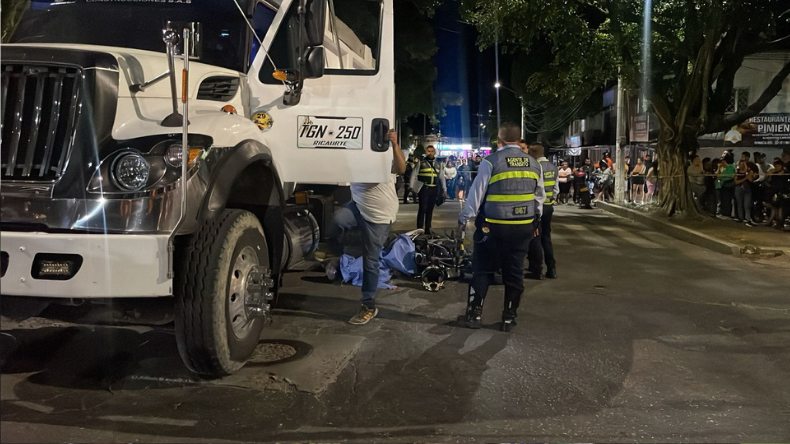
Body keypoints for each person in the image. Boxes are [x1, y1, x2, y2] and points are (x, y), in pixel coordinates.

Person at [456, 123, 545, 332]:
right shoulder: (534, 164)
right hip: (522, 228)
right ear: (519, 139)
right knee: (514, 273)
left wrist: (464, 218)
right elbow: (539, 197)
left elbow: (476, 194)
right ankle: (508, 319)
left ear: (499, 140)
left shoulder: (491, 161)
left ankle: (474, 315)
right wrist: (535, 222)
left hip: (493, 228)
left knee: (483, 271)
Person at [332, 129, 406, 325]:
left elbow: (401, 168)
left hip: (379, 216)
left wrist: (395, 145)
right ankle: (356, 239)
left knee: (370, 261)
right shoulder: (353, 156)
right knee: (338, 219)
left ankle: (368, 306)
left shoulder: (381, 158)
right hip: (358, 207)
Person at [526, 143, 560, 280]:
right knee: (546, 238)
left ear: (533, 154)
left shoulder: (535, 167)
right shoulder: (553, 167)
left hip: (537, 208)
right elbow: (556, 189)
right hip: (549, 207)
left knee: (535, 239)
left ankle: (536, 269)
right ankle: (551, 268)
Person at [410, 145, 446, 234]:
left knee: (430, 209)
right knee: (422, 208)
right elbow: (414, 174)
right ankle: (419, 228)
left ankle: (428, 228)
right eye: (428, 151)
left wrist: (444, 189)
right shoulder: (421, 162)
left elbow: (442, 177)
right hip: (424, 188)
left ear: (435, 152)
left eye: (432, 151)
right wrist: (411, 186)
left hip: (434, 188)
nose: (430, 153)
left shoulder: (438, 164)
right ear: (426, 152)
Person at [715, 154, 736, 219]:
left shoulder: (731, 167)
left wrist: (721, 176)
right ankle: (721, 212)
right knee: (722, 200)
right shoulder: (722, 168)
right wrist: (719, 167)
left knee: (727, 200)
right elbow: (716, 175)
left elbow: (731, 176)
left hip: (728, 186)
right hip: (721, 186)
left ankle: (727, 214)